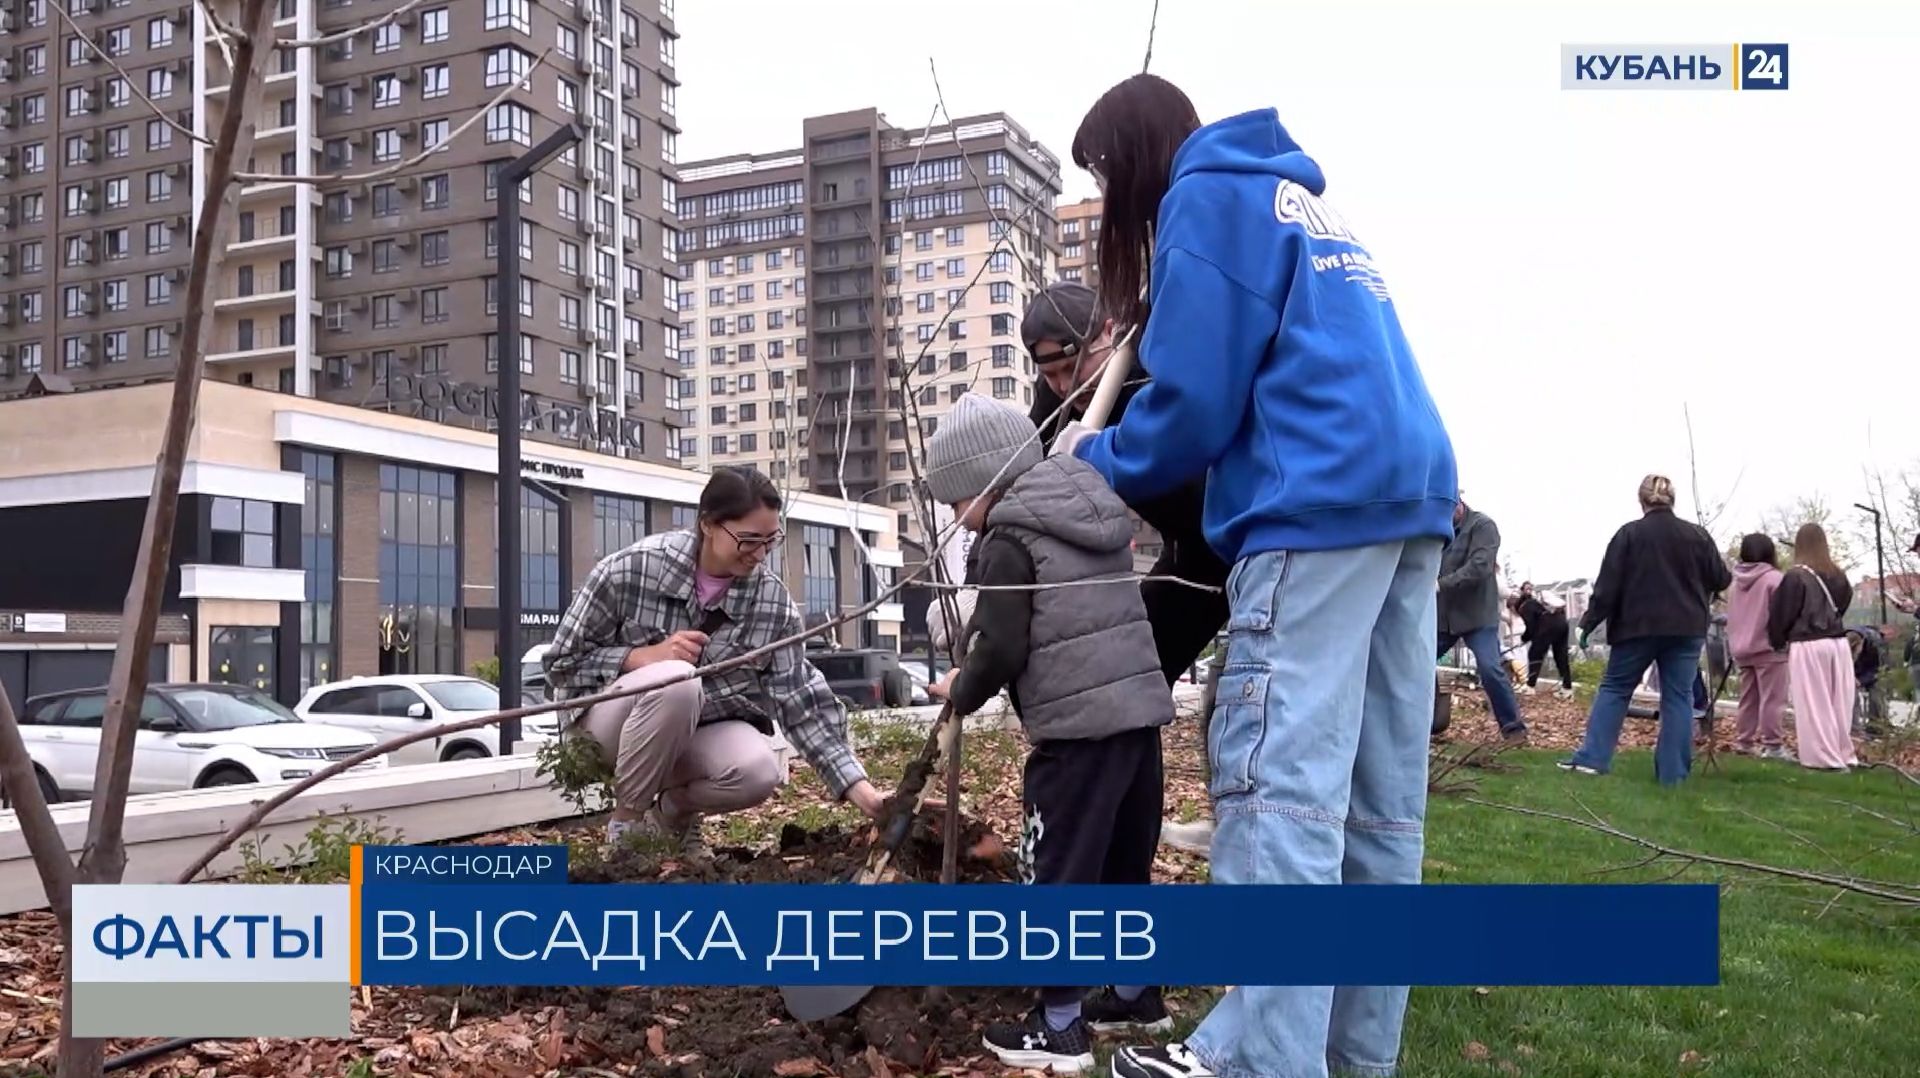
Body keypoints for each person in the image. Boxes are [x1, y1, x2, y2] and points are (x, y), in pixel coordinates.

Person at [1060, 74, 1458, 1078]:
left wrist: (1090, 466)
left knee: (1282, 795)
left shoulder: (1208, 197)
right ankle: (1347, 1058)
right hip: (1405, 501)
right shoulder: (1292, 198)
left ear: (1130, 156)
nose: (1112, 203)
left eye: (1105, 177)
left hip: (1312, 509)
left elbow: (1192, 410)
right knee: (1373, 812)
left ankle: (1261, 1066)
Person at [917, 394, 1175, 1073]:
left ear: (979, 486)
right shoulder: (1086, 509)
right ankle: (1135, 993)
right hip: (1137, 721)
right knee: (1124, 862)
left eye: (954, 505)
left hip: (1076, 737)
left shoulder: (1008, 540)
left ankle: (1059, 1024)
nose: (956, 520)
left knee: (1060, 871)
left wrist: (961, 690)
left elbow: (1001, 647)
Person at [542, 467, 889, 849]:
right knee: (677, 679)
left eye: (770, 541)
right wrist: (640, 657)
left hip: (689, 735)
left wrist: (865, 794)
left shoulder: (770, 605)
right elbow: (561, 663)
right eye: (748, 540)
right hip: (603, 731)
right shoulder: (631, 571)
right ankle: (628, 825)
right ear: (708, 524)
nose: (759, 555)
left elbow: (801, 701)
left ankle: (673, 812)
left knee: (758, 771)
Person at [1022, 280, 1230, 857]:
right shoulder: (1057, 408)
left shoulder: (1153, 372)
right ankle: (1122, 843)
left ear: (1109, 336)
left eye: (1073, 367)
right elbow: (1027, 479)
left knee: (1233, 700)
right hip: (1188, 558)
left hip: (1242, 545)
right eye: (1050, 375)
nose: (1065, 386)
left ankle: (1237, 823)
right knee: (1129, 688)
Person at [1560, 475, 1731, 784]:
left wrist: (1588, 623)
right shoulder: (1698, 536)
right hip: (1686, 626)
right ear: (1672, 500)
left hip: (1637, 626)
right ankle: (1673, 774)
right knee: (1678, 698)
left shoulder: (1629, 535)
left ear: (1641, 501)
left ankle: (1593, 758)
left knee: (1615, 688)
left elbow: (1608, 586)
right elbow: (1721, 578)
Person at [1436, 501, 1527, 744]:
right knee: (1413, 664)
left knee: (1490, 667)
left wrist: (1440, 584)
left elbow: (1479, 567)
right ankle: (1425, 722)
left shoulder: (1483, 526)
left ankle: (1513, 728)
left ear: (1458, 503)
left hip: (1477, 615)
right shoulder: (1435, 526)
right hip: (1444, 616)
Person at [1767, 523, 1856, 771]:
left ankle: (1823, 757)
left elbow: (1782, 613)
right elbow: (1843, 603)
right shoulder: (1839, 575)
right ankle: (1842, 751)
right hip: (1837, 642)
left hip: (1808, 643)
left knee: (1814, 703)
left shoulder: (1796, 576)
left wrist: (1777, 640)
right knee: (1839, 702)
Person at [1725, 533, 1790, 758]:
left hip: (1741, 647)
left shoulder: (1735, 582)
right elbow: (1782, 614)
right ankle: (1772, 745)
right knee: (1772, 699)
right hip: (1768, 647)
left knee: (1748, 698)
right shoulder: (1775, 579)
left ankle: (1744, 742)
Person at [1512, 584, 1575, 698]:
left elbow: (1530, 628)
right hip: (1562, 622)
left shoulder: (1525, 607)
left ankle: (1530, 687)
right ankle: (1567, 688)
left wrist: (1524, 638)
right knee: (1561, 655)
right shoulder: (1536, 603)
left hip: (1547, 626)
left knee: (1535, 654)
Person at [1848, 626, 1887, 739]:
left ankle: (1876, 727)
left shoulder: (1876, 644)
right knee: (1851, 696)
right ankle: (1854, 728)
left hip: (1875, 670)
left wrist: (1861, 680)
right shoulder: (1842, 643)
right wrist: (1851, 677)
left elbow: (1878, 668)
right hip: (1854, 673)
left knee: (1877, 695)